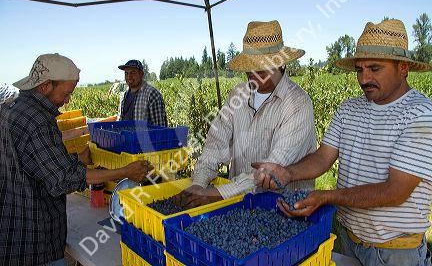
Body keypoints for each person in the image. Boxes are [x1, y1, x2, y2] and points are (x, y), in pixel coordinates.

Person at [253, 19, 432, 266]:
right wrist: (287, 172)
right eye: (360, 69)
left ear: (403, 68)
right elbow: (323, 157)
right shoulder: (350, 108)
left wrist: (325, 197)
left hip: (394, 252)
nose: (363, 78)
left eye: (374, 68)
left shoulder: (420, 115)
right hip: (346, 240)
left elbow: (395, 191)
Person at [0, 53, 153, 266]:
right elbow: (62, 179)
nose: (67, 100)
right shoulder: (38, 121)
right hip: (34, 241)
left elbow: (37, 161)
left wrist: (77, 158)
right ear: (45, 86)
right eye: (66, 93)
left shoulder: (12, 107)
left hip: (13, 230)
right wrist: (124, 172)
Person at [174, 20, 317, 209]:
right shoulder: (237, 95)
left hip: (286, 208)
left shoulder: (298, 104)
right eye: (250, 65)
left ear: (280, 63)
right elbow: (215, 144)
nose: (253, 72)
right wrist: (198, 184)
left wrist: (215, 194)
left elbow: (270, 170)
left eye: (261, 66)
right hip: (238, 206)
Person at [117, 59, 167, 126]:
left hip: (144, 136)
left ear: (141, 74)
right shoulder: (123, 96)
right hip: (125, 136)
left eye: (133, 72)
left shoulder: (152, 94)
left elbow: (160, 127)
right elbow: (120, 120)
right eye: (126, 73)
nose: (129, 77)